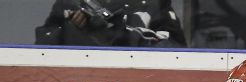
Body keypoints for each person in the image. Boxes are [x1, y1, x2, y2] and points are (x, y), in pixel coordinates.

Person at [35, 0, 186, 47]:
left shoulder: (152, 5)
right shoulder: (70, 3)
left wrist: (107, 31)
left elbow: (176, 55)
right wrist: (71, 25)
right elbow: (41, 51)